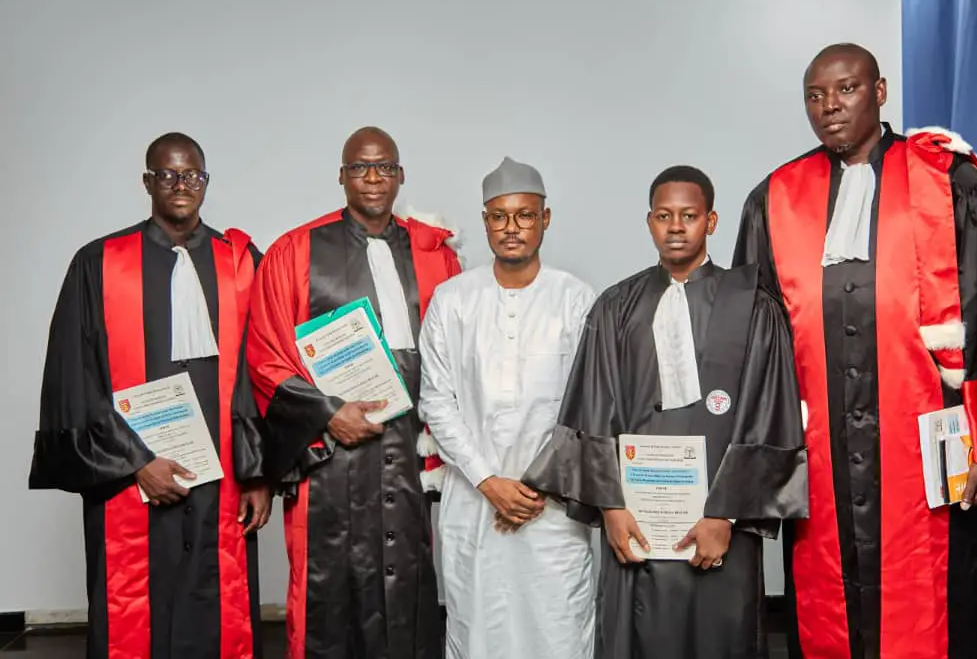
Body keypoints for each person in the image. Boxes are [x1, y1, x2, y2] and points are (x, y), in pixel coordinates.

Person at [732, 43, 977, 659]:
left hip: (931, 446)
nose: (830, 107)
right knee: (824, 607)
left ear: (879, 92)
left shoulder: (950, 182)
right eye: (815, 96)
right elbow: (758, 345)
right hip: (819, 453)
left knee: (938, 605)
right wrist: (766, 462)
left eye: (846, 89)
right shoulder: (774, 198)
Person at [522, 165, 808, 659]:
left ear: (711, 222)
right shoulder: (616, 307)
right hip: (636, 519)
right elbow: (592, 408)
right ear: (649, 222)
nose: (676, 227)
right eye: (663, 215)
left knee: (721, 637)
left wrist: (724, 513)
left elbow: (770, 412)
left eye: (689, 215)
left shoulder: (753, 308)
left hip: (721, 523)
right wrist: (610, 506)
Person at [28, 132, 271, 659]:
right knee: (136, 615)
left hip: (222, 477)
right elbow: (75, 380)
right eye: (168, 175)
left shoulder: (240, 262)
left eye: (193, 175)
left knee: (215, 610)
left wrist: (258, 473)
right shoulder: (98, 263)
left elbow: (258, 375)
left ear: (206, 182)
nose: (181, 185)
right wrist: (135, 462)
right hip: (132, 477)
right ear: (148, 182)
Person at [246, 126, 462, 659]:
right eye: (360, 167)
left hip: (412, 455)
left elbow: (458, 351)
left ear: (400, 176)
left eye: (384, 167)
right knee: (331, 593)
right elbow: (266, 355)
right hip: (330, 460)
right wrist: (325, 413)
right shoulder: (294, 252)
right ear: (341, 177)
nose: (372, 178)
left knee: (411, 587)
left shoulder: (434, 255)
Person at [417, 157, 597, 659]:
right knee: (477, 630)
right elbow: (436, 398)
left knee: (558, 628)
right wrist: (488, 481)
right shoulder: (452, 301)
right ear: (485, 221)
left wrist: (536, 485)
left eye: (523, 215)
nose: (511, 228)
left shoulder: (576, 300)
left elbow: (589, 405)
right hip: (474, 502)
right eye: (499, 216)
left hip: (554, 507)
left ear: (545, 219)